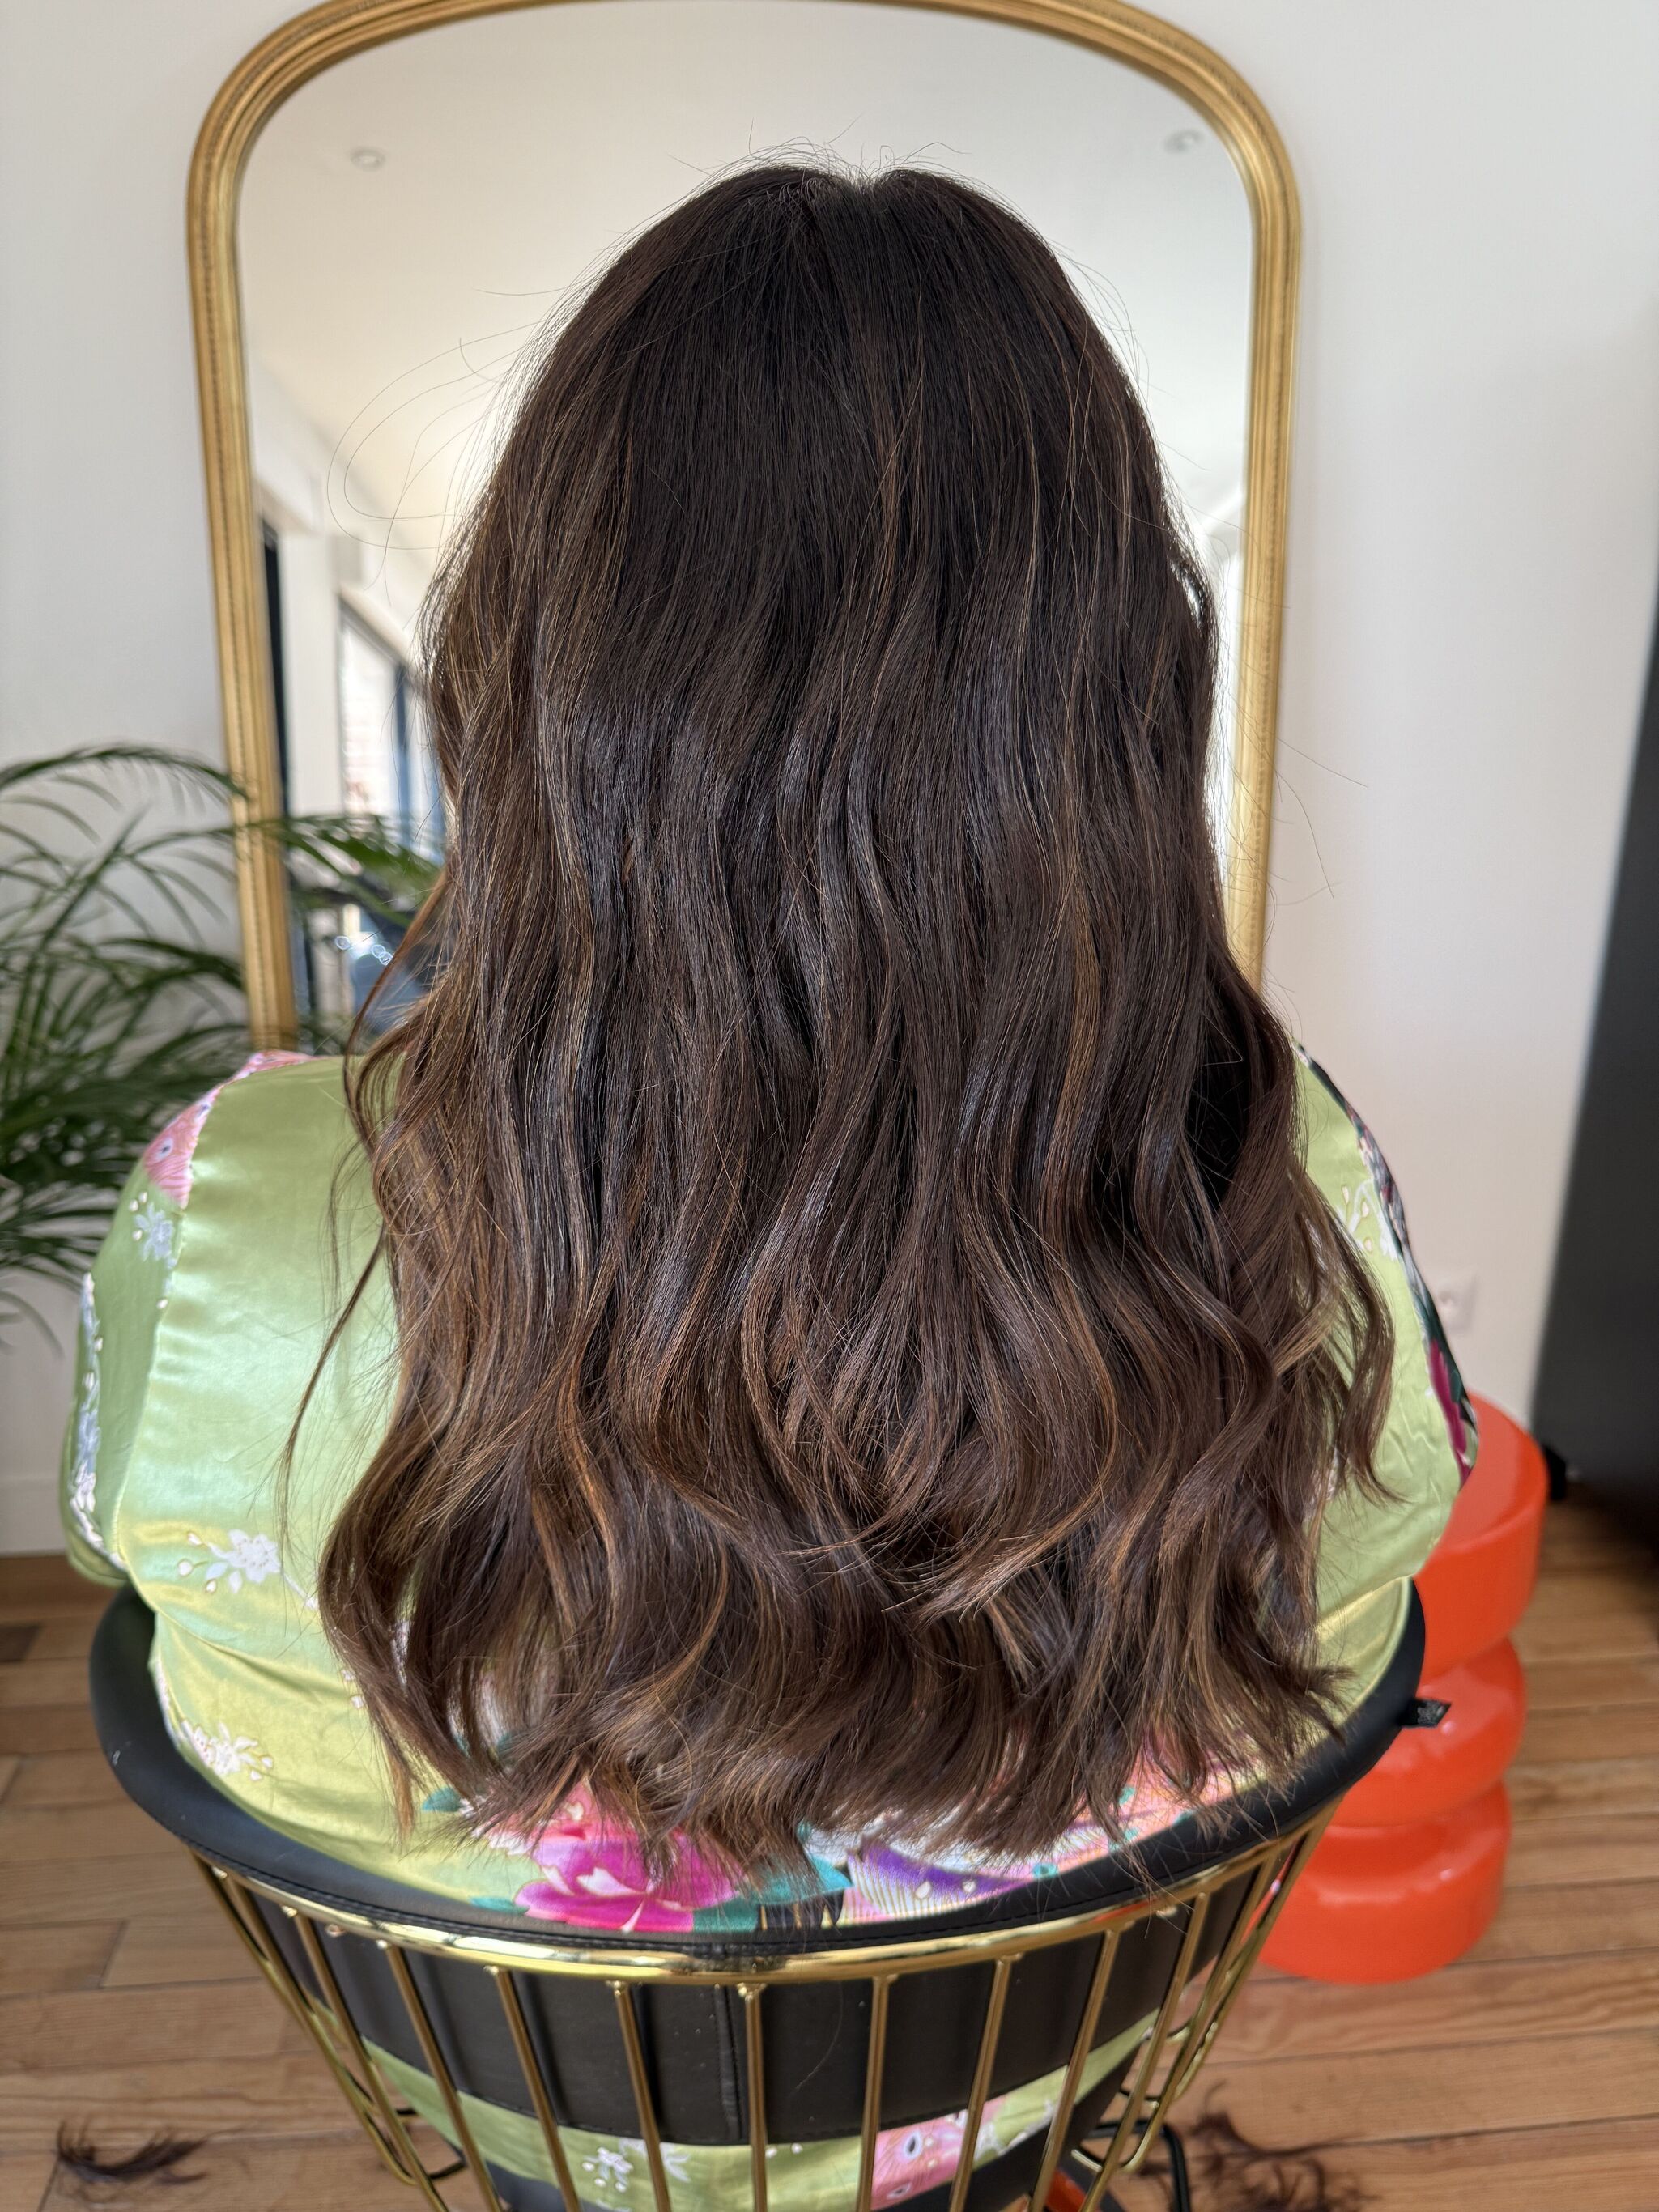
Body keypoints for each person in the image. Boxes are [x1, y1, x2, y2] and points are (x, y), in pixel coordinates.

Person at [64, 161, 1470, 2199]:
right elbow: (1375, 1570)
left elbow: (137, 1572)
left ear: (532, 688)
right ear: (1117, 714)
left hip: (539, 2115)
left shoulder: (232, 1218)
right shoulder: (1282, 1182)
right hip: (1007, 2096)